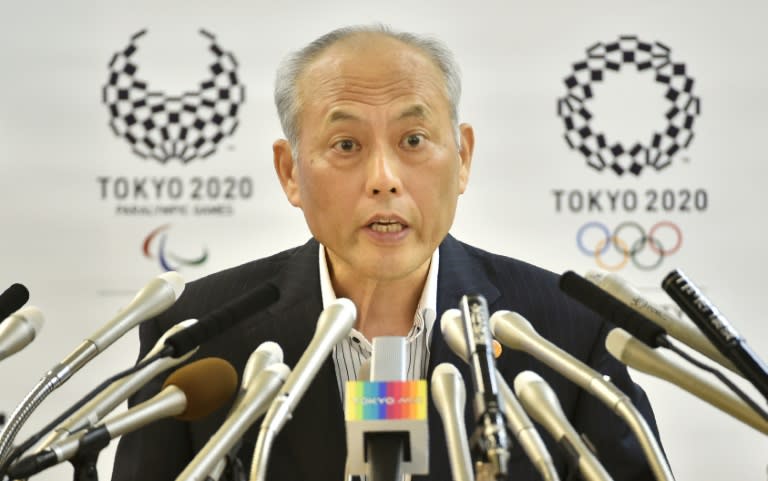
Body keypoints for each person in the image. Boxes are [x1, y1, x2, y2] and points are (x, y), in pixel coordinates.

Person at [112, 24, 663, 481]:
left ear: (463, 157)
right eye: (347, 145)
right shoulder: (195, 330)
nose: (384, 179)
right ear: (290, 172)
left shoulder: (566, 330)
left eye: (414, 141)